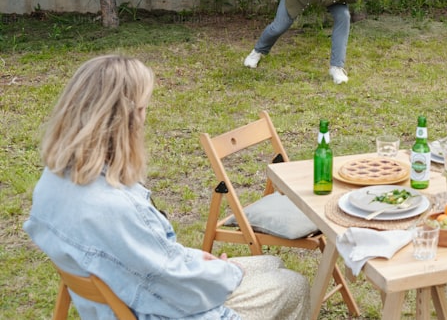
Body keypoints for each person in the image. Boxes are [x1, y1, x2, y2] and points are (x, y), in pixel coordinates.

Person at [24, 55, 309, 320]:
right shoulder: (115, 206)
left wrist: (196, 259)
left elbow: (152, 261)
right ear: (126, 120)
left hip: (122, 299)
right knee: (293, 284)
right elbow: (174, 286)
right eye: (144, 107)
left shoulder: (52, 180)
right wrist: (226, 272)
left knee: (271, 263)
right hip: (159, 310)